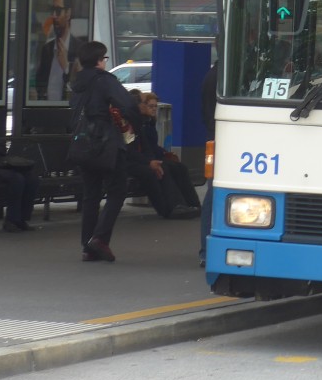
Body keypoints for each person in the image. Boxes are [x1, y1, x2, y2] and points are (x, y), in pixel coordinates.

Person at [69, 40, 138, 263]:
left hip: (82, 143)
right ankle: (99, 239)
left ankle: (87, 246)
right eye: (105, 58)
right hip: (106, 143)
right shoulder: (105, 81)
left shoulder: (78, 83)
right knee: (117, 190)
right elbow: (127, 104)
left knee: (91, 195)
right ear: (100, 60)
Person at [126, 90, 201, 220]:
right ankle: (172, 206)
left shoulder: (146, 122)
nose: (153, 108)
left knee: (179, 167)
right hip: (133, 161)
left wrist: (158, 156)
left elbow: (148, 147)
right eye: (147, 104)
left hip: (145, 158)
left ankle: (191, 203)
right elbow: (132, 150)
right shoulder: (132, 123)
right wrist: (151, 161)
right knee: (163, 169)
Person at [34, 0, 87, 102]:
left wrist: (67, 68)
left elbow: (82, 87)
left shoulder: (80, 49)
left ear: (68, 13)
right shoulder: (47, 49)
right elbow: (39, 82)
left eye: (58, 11)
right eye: (52, 10)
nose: (54, 16)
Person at [199, 60, 217, 267]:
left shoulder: (212, 75)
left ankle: (206, 249)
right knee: (213, 195)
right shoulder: (223, 78)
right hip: (222, 141)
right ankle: (206, 249)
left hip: (215, 137)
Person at [0, 142, 38, 233]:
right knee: (16, 179)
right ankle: (11, 220)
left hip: (1, 162)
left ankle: (22, 219)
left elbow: (2, 149)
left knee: (31, 179)